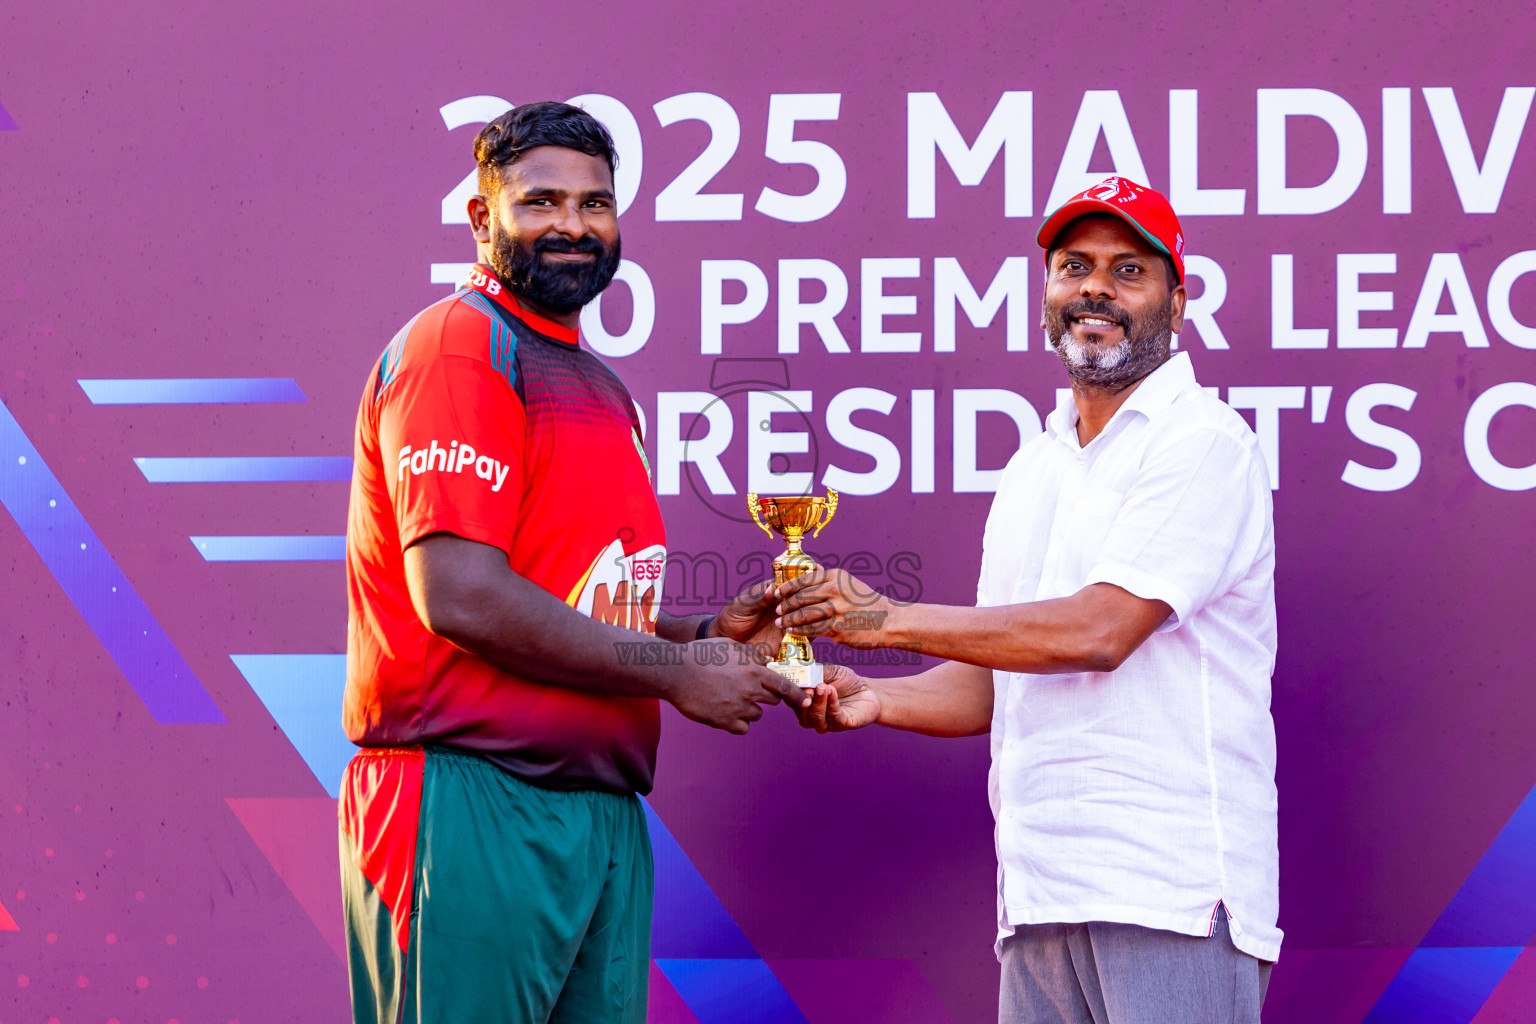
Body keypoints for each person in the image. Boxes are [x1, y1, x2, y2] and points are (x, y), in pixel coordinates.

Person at [339, 101, 805, 1024]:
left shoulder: (602, 384)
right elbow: (462, 595)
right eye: (541, 201)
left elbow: (571, 603)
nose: (572, 226)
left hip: (599, 811)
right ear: (483, 218)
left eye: (595, 205)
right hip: (468, 797)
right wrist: (677, 671)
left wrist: (704, 634)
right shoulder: (459, 346)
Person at [778, 176, 1279, 1024]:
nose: (1096, 288)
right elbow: (996, 676)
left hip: (1170, 895)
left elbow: (1098, 631)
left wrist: (882, 618)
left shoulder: (1205, 443)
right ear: (1046, 295)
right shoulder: (1033, 468)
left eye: (1129, 271)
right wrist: (879, 697)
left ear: (1176, 301)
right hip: (1040, 898)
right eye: (1074, 266)